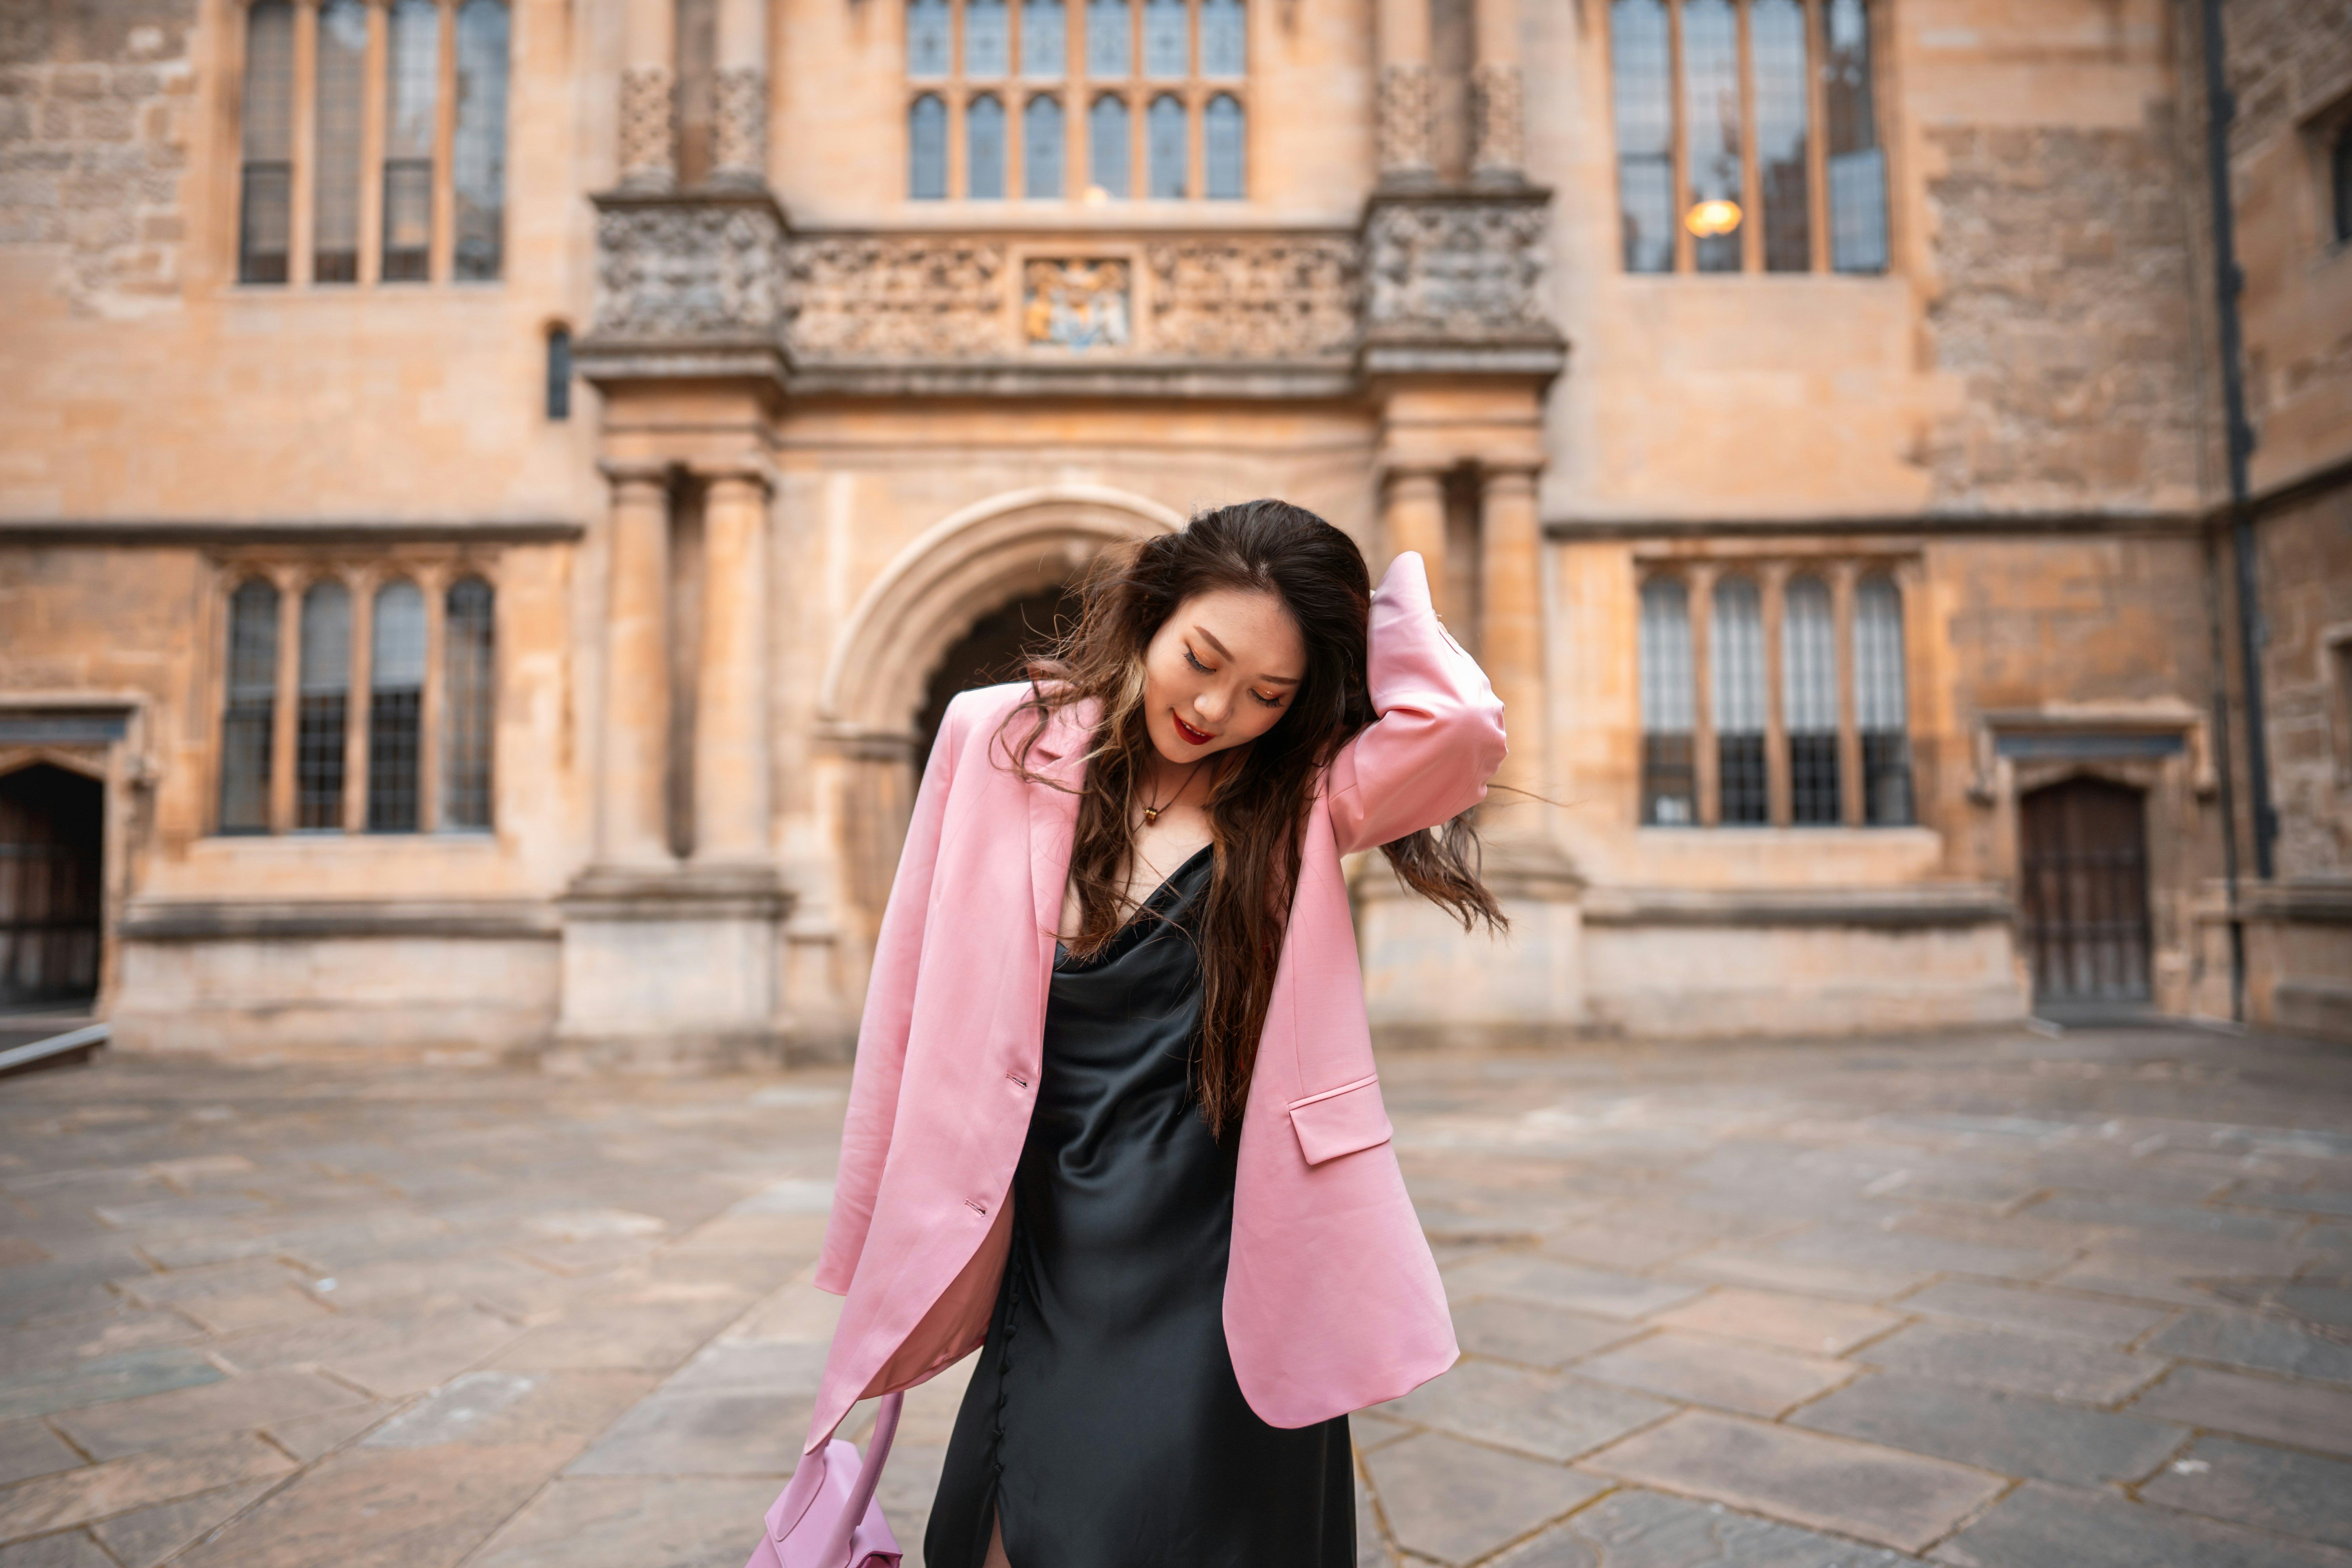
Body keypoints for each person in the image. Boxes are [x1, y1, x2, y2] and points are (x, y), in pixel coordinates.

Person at [807, 499, 1510, 1567]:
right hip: (1052, 1223)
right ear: (1153, 610)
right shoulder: (993, 737)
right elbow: (905, 995)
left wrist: (1362, 612)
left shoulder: (1304, 796)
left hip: (1229, 1241)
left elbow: (1460, 728)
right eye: (1204, 657)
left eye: (1268, 694)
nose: (1219, 706)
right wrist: (875, 1217)